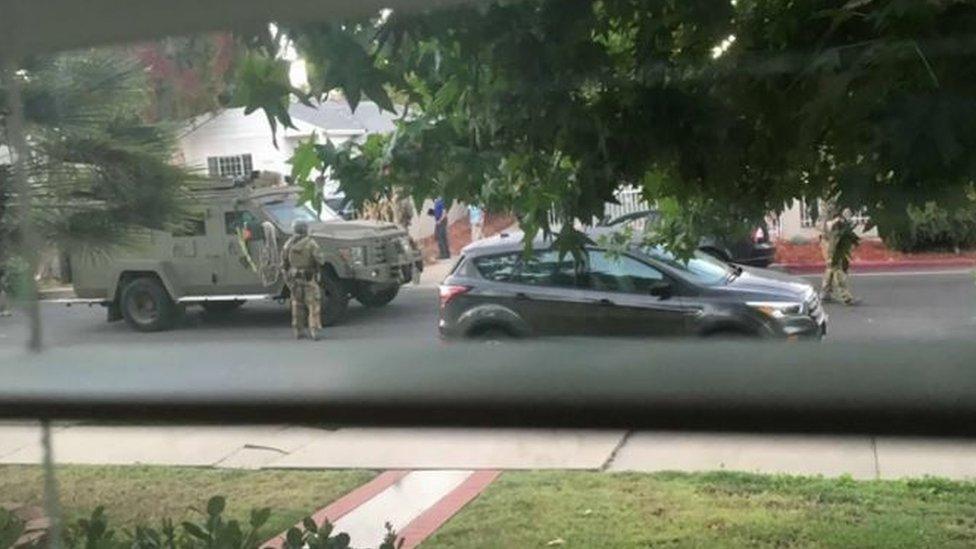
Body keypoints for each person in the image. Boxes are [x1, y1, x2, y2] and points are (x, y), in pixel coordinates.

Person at [282, 219, 326, 340]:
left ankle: (298, 331)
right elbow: (320, 260)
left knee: (297, 304)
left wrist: (288, 277)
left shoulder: (288, 244)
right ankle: (314, 330)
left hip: (294, 279)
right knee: (313, 304)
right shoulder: (311, 244)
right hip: (308, 277)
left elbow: (284, 263)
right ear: (305, 229)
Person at [819, 208, 861, 306]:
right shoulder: (836, 222)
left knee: (830, 268)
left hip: (828, 241)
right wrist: (833, 255)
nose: (849, 215)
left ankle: (825, 294)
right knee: (836, 268)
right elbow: (833, 238)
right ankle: (846, 297)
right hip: (830, 243)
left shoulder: (837, 219)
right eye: (848, 213)